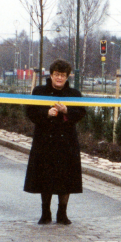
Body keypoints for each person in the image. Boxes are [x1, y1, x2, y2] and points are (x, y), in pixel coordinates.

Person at [24, 59, 86, 225]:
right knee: (45, 176)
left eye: (63, 75)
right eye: (57, 74)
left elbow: (81, 113)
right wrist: (47, 113)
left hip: (67, 142)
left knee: (66, 178)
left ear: (67, 77)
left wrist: (67, 111)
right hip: (45, 141)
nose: (59, 78)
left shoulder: (74, 94)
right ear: (51, 75)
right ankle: (45, 213)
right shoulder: (39, 91)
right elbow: (30, 112)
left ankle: (62, 213)